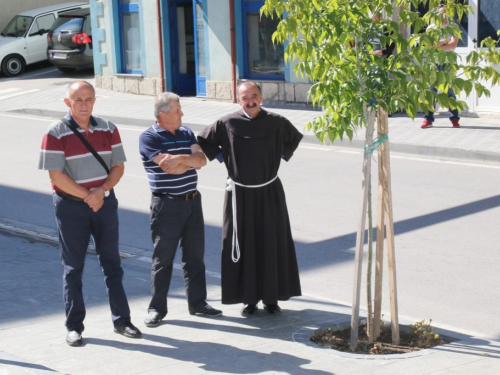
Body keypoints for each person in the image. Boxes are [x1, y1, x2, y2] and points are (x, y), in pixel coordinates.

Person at [38, 81, 141, 346]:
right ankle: (74, 327)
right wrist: (88, 196)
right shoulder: (55, 132)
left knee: (113, 266)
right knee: (73, 269)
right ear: (67, 102)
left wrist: (102, 191)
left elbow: (117, 166)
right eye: (78, 100)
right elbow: (56, 176)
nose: (84, 105)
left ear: (95, 101)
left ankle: (122, 321)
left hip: (104, 204)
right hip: (71, 207)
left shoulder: (108, 128)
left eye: (89, 99)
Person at [197, 81, 303, 316]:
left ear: (261, 97)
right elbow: (204, 140)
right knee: (242, 244)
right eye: (245, 97)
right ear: (238, 99)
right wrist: (224, 159)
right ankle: (249, 299)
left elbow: (294, 138)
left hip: (269, 192)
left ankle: (272, 298)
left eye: (254, 96)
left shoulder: (277, 121)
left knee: (271, 242)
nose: (250, 101)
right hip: (239, 194)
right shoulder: (226, 123)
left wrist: (282, 155)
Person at [139, 92, 223, 327]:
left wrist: (182, 160)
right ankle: (156, 308)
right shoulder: (148, 137)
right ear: (163, 114)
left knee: (195, 256)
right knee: (163, 259)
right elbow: (168, 167)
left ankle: (198, 303)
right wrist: (188, 160)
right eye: (178, 110)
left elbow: (201, 161)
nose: (182, 113)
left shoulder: (185, 132)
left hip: (192, 202)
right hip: (166, 205)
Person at [421, 4, 460, 129]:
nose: (443, 16)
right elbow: (428, 45)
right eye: (440, 14)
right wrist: (444, 42)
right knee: (431, 92)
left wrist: (437, 44)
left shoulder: (453, 28)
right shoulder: (431, 28)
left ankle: (454, 118)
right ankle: (428, 120)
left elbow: (452, 45)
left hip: (448, 63)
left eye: (445, 14)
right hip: (433, 63)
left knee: (450, 92)